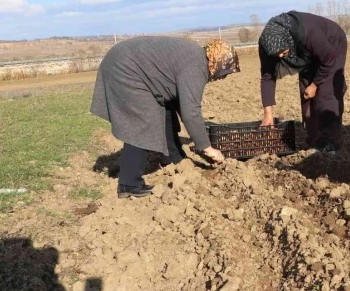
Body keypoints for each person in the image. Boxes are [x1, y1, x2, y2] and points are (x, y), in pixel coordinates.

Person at [90, 37, 239, 198]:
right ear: (218, 64)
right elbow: (191, 112)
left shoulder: (196, 57)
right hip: (125, 68)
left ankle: (173, 157)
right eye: (225, 72)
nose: (223, 77)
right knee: (143, 123)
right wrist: (207, 148)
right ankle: (129, 183)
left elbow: (178, 103)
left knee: (166, 107)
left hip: (125, 61)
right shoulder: (196, 67)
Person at [259, 11, 347, 154]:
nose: (281, 56)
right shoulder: (268, 43)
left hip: (331, 45)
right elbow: (267, 77)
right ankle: (314, 140)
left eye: (283, 51)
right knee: (306, 95)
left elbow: (328, 60)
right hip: (305, 52)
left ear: (288, 40)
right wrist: (268, 113)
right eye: (277, 54)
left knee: (326, 93)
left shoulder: (310, 33)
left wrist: (315, 84)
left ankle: (330, 142)